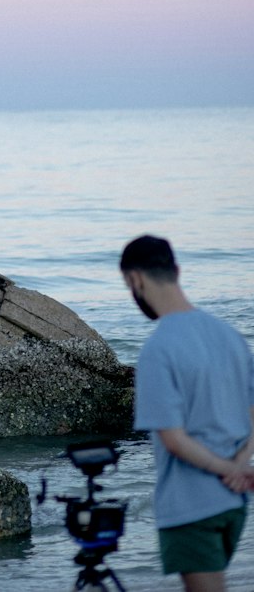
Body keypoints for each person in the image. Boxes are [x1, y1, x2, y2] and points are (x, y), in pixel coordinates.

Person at [120, 234, 254, 591]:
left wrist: (228, 470)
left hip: (192, 504)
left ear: (135, 280)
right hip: (234, 503)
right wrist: (241, 463)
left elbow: (174, 440)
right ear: (176, 271)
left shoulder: (158, 349)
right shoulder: (230, 336)